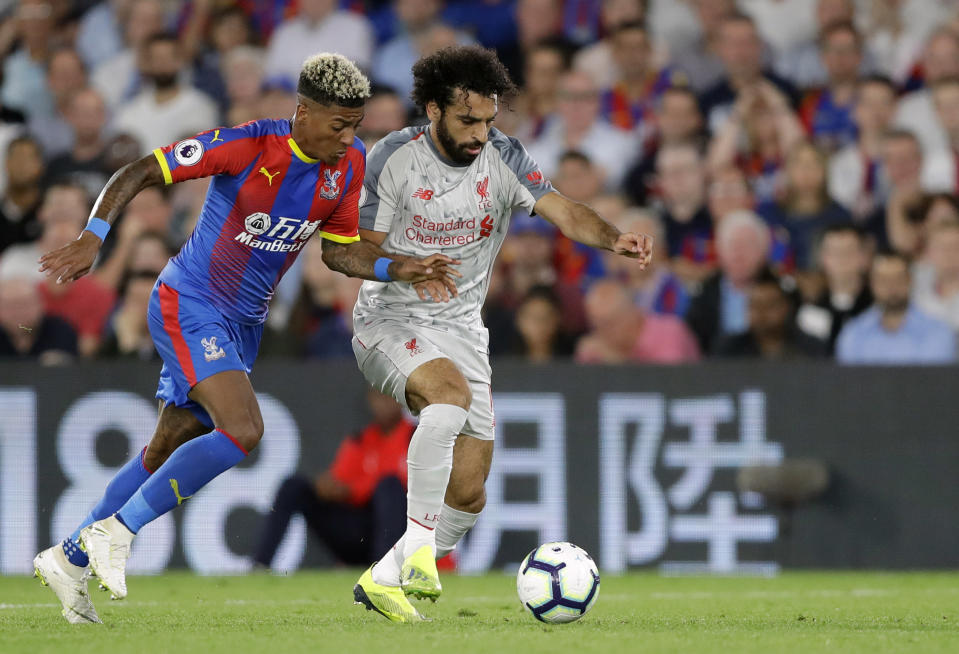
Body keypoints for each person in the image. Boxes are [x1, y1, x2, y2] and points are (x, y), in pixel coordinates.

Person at [31, 53, 457, 625]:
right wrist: (93, 235)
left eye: (355, 125)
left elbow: (339, 250)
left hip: (243, 325)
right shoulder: (247, 145)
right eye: (338, 124)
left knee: (167, 445)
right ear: (302, 113)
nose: (349, 138)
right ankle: (117, 531)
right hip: (190, 303)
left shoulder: (348, 164)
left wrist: (399, 267)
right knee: (244, 428)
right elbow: (138, 171)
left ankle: (71, 556)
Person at [349, 45, 652, 622]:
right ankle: (417, 550)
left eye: (489, 120)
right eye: (468, 121)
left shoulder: (505, 156)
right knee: (449, 399)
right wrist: (405, 266)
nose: (482, 133)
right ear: (433, 109)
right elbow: (351, 250)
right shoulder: (391, 157)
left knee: (468, 493)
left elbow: (562, 209)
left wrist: (614, 237)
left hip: (462, 327)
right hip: (391, 319)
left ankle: (382, 579)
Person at [252, 390, 414, 570]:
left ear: (401, 400)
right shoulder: (359, 439)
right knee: (294, 487)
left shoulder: (414, 437)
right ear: (370, 400)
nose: (383, 404)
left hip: (398, 536)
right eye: (378, 397)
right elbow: (339, 482)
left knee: (390, 487)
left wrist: (354, 490)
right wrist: (327, 488)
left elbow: (414, 485)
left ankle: (385, 571)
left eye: (388, 397)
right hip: (357, 531)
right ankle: (260, 565)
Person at [837, 250, 955, 365]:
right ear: (872, 284)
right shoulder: (854, 333)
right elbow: (848, 382)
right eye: (883, 280)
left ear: (910, 281)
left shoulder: (938, 332)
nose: (891, 286)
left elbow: (937, 381)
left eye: (898, 278)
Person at [575, 278, 699, 364]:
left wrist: (615, 362)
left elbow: (667, 383)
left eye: (608, 324)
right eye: (595, 326)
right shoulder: (595, 349)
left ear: (632, 315)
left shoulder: (669, 332)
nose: (601, 334)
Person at [715, 268, 827, 359]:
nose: (761, 312)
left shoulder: (811, 348)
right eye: (755, 305)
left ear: (786, 308)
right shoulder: (729, 349)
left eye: (770, 305)